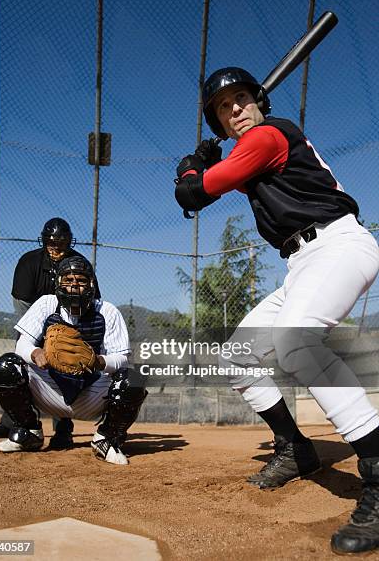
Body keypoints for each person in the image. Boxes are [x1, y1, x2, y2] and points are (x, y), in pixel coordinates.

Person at [174, 67, 379, 554]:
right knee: (239, 358)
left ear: (258, 102)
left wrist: (192, 166)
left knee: (293, 341)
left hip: (337, 245)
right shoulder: (254, 151)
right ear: (219, 122)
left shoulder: (270, 134)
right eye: (224, 108)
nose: (235, 110)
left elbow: (193, 194)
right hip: (301, 262)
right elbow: (222, 181)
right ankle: (296, 448)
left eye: (241, 98)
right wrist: (207, 161)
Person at [0, 255, 147, 465]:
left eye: (81, 281)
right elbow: (22, 345)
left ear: (91, 284)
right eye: (68, 280)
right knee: (5, 366)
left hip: (90, 393)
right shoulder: (46, 304)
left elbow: (122, 359)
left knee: (135, 379)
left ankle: (106, 439)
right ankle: (29, 431)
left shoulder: (107, 311)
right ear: (58, 283)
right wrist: (37, 354)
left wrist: (97, 361)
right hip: (49, 389)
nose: (74, 286)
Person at [0, 218, 100, 450]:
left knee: (64, 361)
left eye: (62, 241)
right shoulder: (29, 262)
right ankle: (14, 422)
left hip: (68, 323)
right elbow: (22, 308)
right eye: (51, 241)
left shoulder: (79, 263)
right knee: (15, 365)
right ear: (44, 240)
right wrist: (37, 341)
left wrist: (61, 337)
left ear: (69, 241)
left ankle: (63, 430)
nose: (56, 246)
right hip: (33, 322)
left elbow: (90, 301)